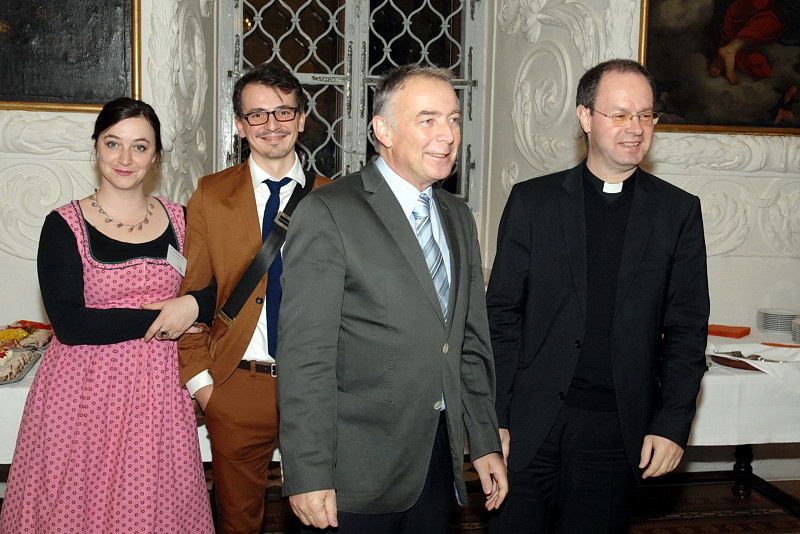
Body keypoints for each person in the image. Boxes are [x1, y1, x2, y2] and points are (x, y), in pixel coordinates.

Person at [277, 64, 508, 534]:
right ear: (383, 130)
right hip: (352, 474)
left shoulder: (457, 215)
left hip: (436, 464)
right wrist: (308, 471)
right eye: (428, 119)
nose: (447, 135)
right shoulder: (329, 212)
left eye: (454, 119)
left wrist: (484, 439)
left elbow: (467, 342)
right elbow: (306, 358)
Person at [486, 59, 710, 533]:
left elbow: (687, 331)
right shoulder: (533, 202)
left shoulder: (677, 212)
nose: (636, 128)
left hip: (615, 428)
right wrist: (494, 418)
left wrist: (671, 423)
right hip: (529, 422)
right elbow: (502, 318)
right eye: (621, 114)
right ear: (585, 117)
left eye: (646, 115)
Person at [0, 98, 214, 533]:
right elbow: (69, 323)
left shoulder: (183, 220)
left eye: (140, 146)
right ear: (96, 146)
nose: (124, 158)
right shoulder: (63, 224)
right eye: (113, 143)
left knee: (155, 506)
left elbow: (218, 289)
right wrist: (163, 318)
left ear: (156, 156)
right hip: (82, 392)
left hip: (160, 392)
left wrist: (192, 304)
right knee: (77, 508)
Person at [177, 63, 330, 534]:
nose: (271, 124)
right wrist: (203, 386)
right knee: (238, 522)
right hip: (237, 387)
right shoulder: (211, 195)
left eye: (283, 111)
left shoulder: (336, 199)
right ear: (240, 126)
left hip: (321, 389)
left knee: (325, 517)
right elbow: (194, 294)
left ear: (302, 119)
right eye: (257, 114)